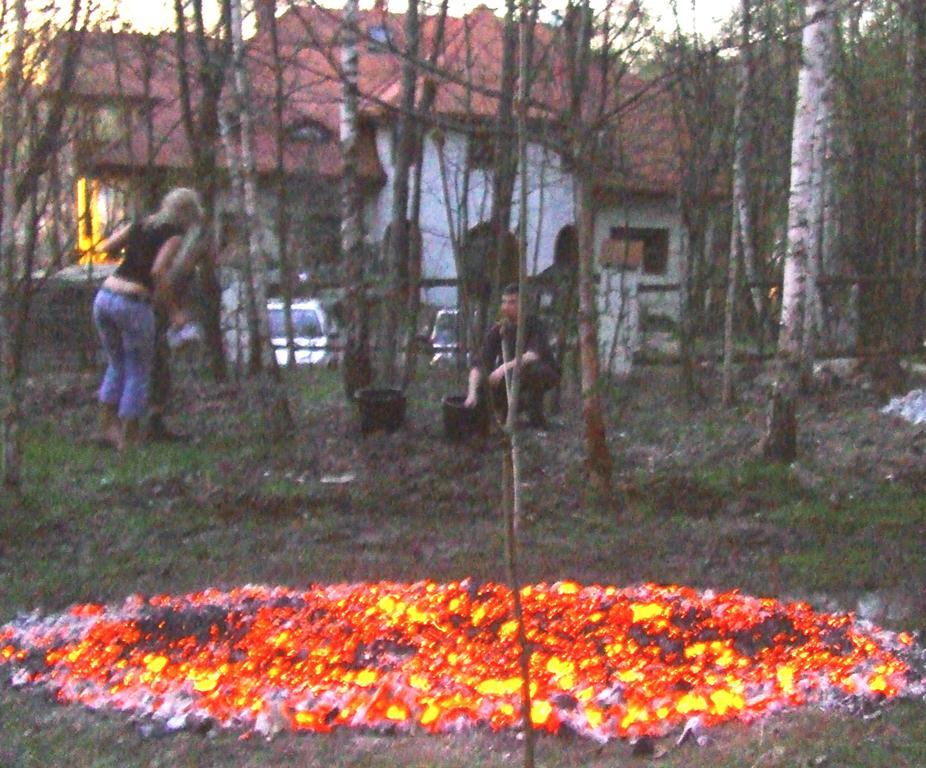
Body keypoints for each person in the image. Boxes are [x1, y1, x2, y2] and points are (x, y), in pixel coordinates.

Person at [92, 188, 204, 450]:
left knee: (116, 365)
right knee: (137, 371)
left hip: (105, 297)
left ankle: (109, 428)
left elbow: (106, 248)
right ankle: (129, 439)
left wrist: (134, 255)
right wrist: (175, 312)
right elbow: (158, 271)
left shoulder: (141, 224)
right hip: (133, 303)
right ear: (187, 215)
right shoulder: (174, 236)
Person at [463, 283, 560, 428]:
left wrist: (503, 368)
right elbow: (479, 362)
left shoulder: (534, 324)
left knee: (534, 371)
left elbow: (533, 355)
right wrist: (472, 393)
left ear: (522, 304)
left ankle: (536, 417)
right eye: (504, 302)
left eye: (512, 302)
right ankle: (500, 417)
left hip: (540, 373)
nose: (506, 306)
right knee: (484, 384)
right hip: (509, 376)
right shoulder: (499, 329)